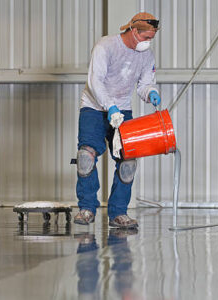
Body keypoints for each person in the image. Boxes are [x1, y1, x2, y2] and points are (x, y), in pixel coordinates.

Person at [74, 12, 161, 228]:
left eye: (151, 38)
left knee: (128, 162)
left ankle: (118, 213)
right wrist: (109, 106)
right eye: (146, 37)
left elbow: (144, 83)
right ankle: (86, 208)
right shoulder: (106, 46)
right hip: (94, 107)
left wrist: (150, 92)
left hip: (122, 110)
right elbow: (95, 81)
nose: (148, 42)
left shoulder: (146, 56)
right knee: (86, 157)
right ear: (133, 30)